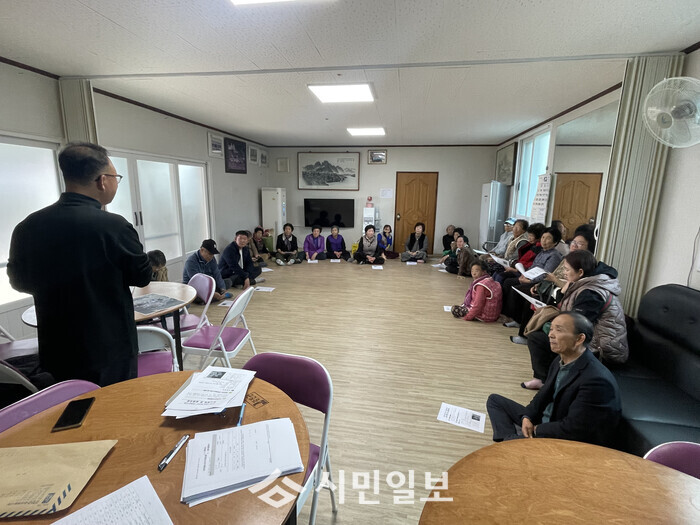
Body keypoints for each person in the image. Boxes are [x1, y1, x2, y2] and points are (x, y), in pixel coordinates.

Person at [7, 142, 152, 386]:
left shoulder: (27, 227)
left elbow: (19, 281)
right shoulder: (114, 226)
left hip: (57, 349)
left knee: (68, 407)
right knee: (114, 404)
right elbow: (142, 276)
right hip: (109, 348)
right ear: (102, 180)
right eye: (116, 177)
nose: (116, 183)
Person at [486, 312, 621, 447]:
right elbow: (543, 395)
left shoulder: (596, 380)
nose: (550, 334)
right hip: (547, 420)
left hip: (563, 438)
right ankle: (510, 442)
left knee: (508, 441)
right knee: (495, 401)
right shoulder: (560, 359)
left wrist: (537, 429)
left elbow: (574, 428)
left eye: (559, 330)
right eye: (551, 329)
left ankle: (510, 443)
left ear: (579, 339)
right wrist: (527, 417)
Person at [522, 249, 628, 389]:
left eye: (567, 269)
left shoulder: (591, 293)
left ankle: (546, 380)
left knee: (539, 338)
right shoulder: (586, 284)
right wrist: (563, 291)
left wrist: (551, 325)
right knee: (546, 334)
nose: (564, 273)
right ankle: (543, 379)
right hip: (591, 339)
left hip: (603, 350)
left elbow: (576, 325)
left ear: (580, 272)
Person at [501, 227, 563, 341]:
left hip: (541, 284)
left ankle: (523, 335)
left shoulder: (554, 256)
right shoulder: (541, 252)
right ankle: (516, 319)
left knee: (523, 294)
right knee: (509, 283)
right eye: (543, 237)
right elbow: (533, 268)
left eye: (548, 238)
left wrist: (529, 281)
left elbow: (545, 274)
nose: (544, 240)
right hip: (530, 278)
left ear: (555, 242)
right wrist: (524, 275)